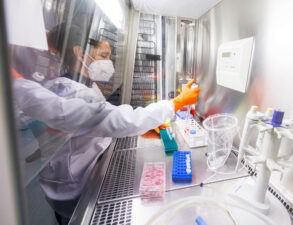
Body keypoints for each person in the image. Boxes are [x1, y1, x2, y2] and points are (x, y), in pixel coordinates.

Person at [12, 24, 201, 225]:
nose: (108, 62)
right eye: (103, 55)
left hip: (82, 171)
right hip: (72, 186)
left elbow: (100, 127)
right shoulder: (69, 91)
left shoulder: (86, 85)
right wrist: (176, 102)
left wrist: (140, 130)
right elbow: (110, 119)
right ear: (81, 54)